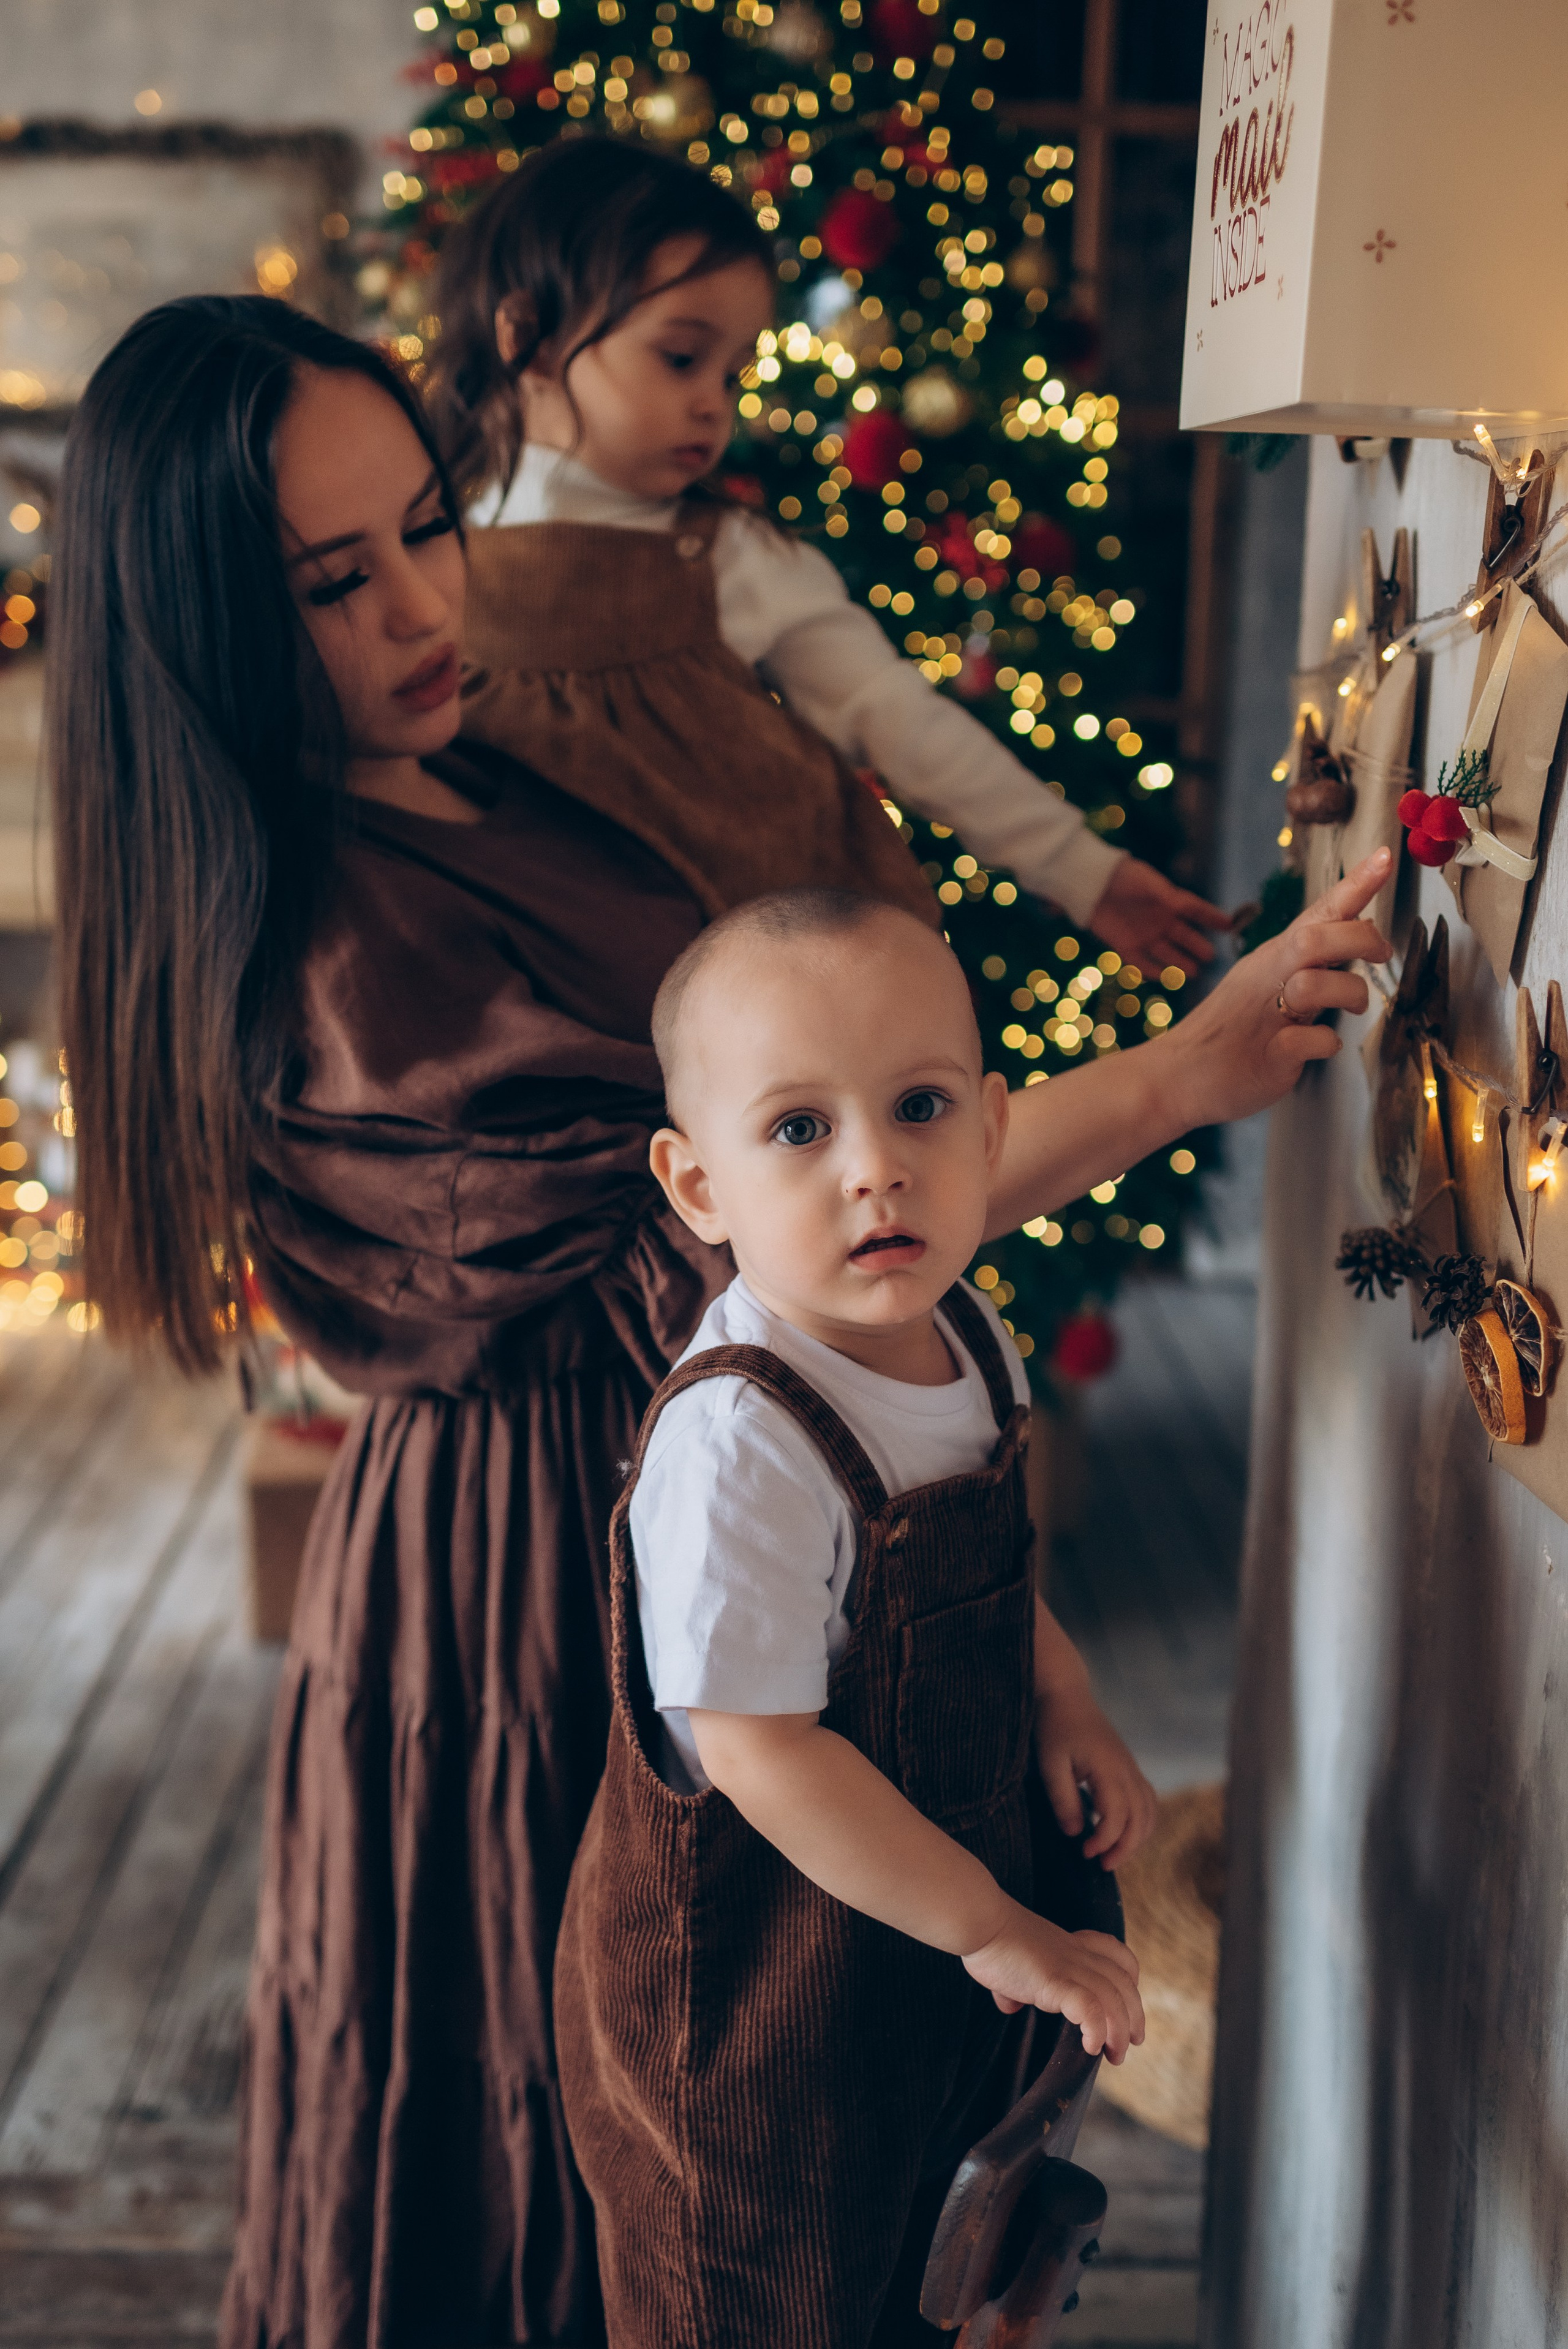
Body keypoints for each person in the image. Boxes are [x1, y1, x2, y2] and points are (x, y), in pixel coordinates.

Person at [52, 283, 1391, 2345]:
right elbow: (777, 1243)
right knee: (597, 2131)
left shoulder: (464, 765)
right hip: (537, 1589)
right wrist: (1183, 1077)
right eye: (337, 579)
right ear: (207, 627)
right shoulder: (337, 948)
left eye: (428, 521)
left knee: (733, 2136)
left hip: (694, 1490)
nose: (427, 603)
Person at [556, 872, 1393, 2347]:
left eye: (921, 1108)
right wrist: (995, 1928)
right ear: (698, 1185)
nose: (874, 1169)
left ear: (995, 1124)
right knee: (763, 2300)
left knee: (915, 2270)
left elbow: (985, 1567)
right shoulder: (740, 1440)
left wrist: (1060, 1696)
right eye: (799, 1129)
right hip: (751, 2006)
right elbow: (757, 1748)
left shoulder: (956, 1330)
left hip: (911, 1948)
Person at [429, 138, 1230, 975]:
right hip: (540, 981)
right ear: (526, 335)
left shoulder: (728, 557)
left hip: (762, 976)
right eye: (680, 357)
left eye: (734, 373)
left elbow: (898, 719)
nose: (715, 404)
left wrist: (1081, 870)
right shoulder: (425, 550)